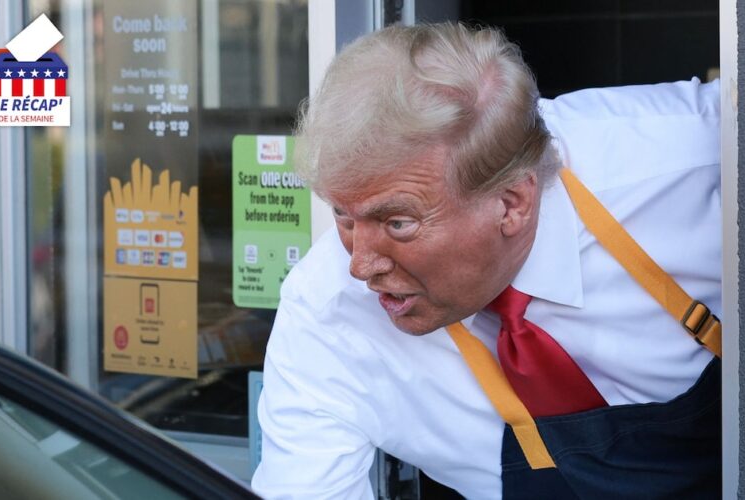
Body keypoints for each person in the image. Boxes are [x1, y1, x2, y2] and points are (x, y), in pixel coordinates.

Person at [252, 22, 721, 499]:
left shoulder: (697, 154)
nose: (361, 266)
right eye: (343, 216)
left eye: (397, 223)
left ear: (512, 203)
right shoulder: (326, 314)